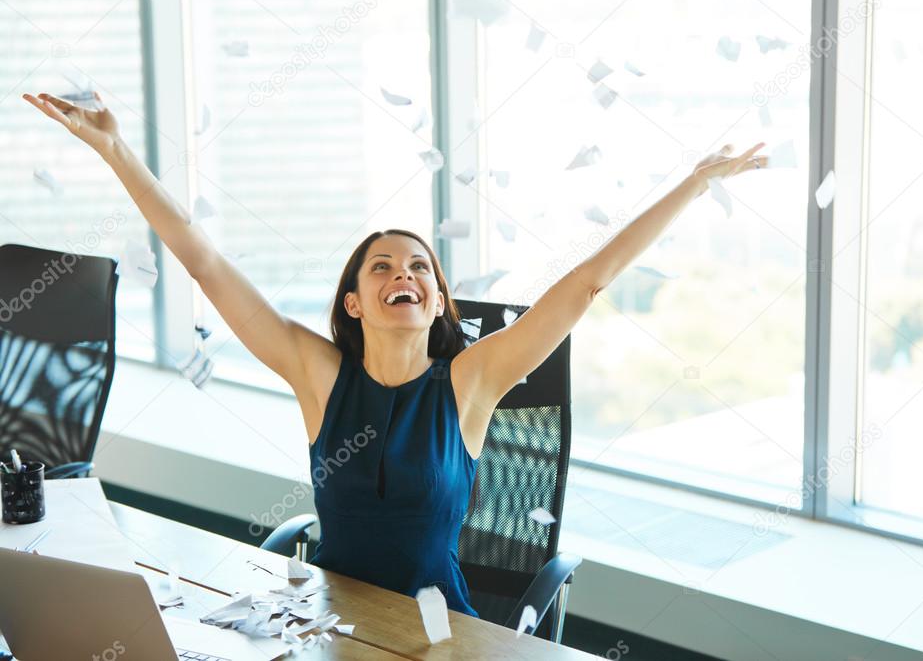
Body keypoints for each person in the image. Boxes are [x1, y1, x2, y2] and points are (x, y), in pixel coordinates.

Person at [22, 90, 767, 616]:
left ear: (438, 302)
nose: (402, 275)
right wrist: (115, 149)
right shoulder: (317, 374)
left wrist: (695, 184)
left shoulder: (471, 382)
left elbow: (586, 284)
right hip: (328, 621)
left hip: (442, 632)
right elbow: (203, 260)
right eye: (380, 267)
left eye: (418, 268)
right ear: (354, 302)